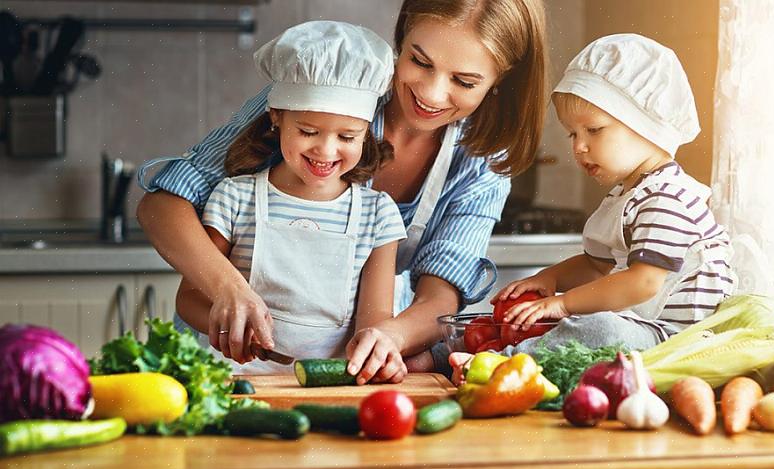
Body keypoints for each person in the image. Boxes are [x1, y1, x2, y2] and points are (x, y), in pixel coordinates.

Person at [136, 0, 548, 382]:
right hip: (221, 361)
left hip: (336, 365)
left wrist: (389, 338)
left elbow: (440, 293)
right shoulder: (325, 86)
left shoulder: (484, 156)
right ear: (401, 37)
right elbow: (162, 204)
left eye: (464, 80)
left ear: (500, 79)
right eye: (419, 61)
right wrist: (230, 291)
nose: (431, 93)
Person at [450, 33, 736, 379]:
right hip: (641, 327)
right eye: (573, 134)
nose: (579, 147)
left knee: (601, 330)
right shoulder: (627, 195)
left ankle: (501, 363)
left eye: (594, 130)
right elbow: (595, 266)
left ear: (646, 126)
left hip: (675, 339)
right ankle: (448, 352)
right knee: (579, 323)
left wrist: (563, 303)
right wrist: (549, 278)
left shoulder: (668, 198)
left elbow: (643, 283)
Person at [173, 21, 405, 374]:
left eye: (348, 136)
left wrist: (378, 354)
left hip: (328, 390)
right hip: (237, 381)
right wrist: (228, 328)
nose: (326, 150)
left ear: (366, 133)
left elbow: (373, 324)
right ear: (276, 117)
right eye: (308, 131)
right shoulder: (235, 198)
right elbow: (189, 299)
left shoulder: (378, 215)